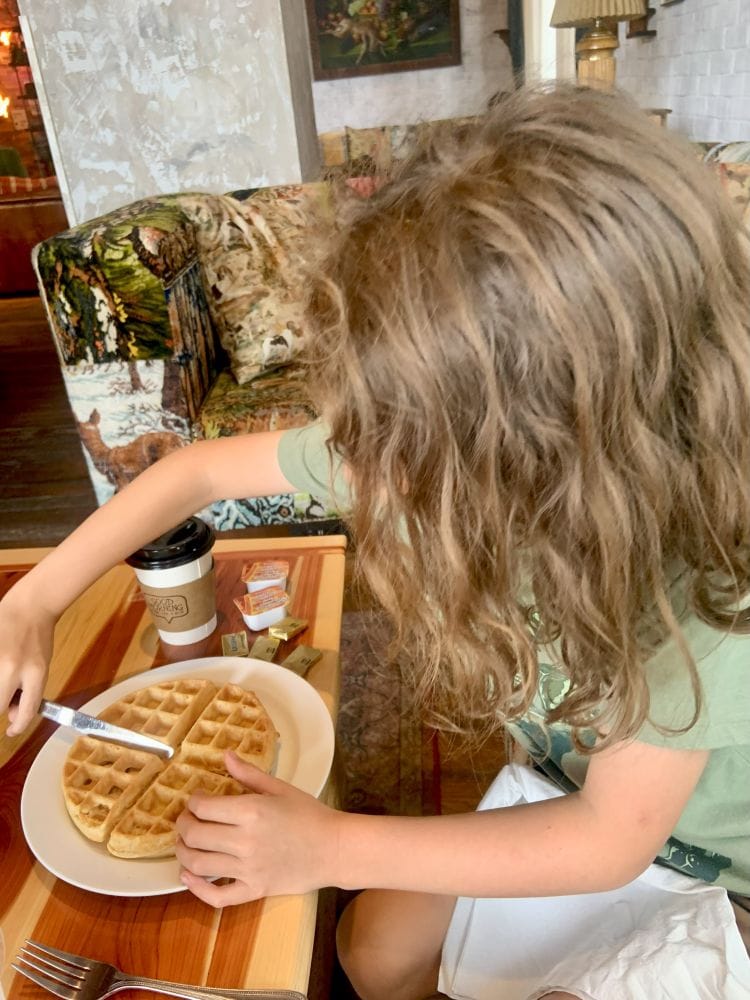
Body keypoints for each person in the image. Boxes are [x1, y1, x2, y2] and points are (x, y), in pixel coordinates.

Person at [2, 84, 750, 1000]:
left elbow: (611, 839)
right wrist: (34, 599)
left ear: (559, 463)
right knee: (370, 950)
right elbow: (193, 473)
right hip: (564, 787)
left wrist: (330, 843)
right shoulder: (402, 444)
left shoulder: (712, 577)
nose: (355, 472)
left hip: (710, 867)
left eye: (403, 451)